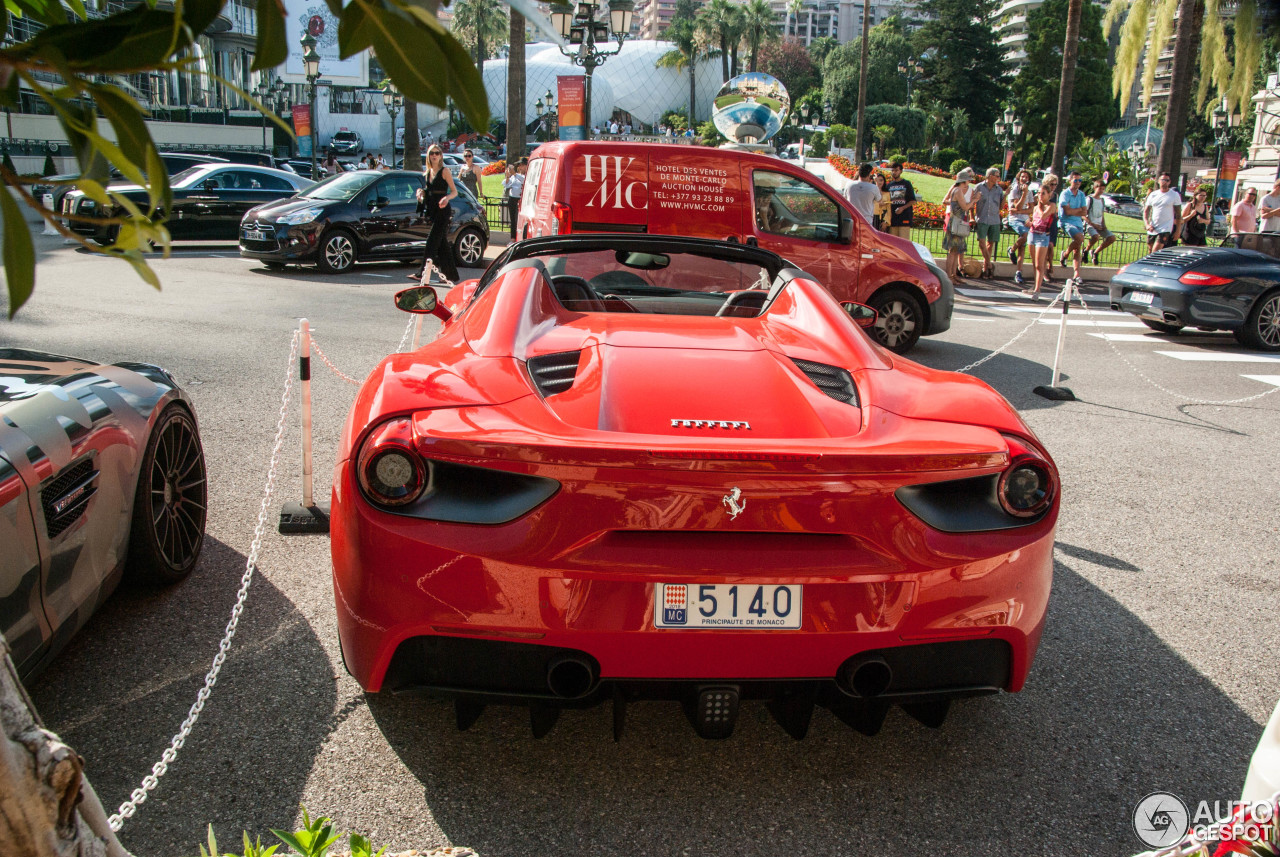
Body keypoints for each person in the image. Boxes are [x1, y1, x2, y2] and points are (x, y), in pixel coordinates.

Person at [412, 144, 460, 283]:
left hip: (443, 210)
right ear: (428, 155)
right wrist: (421, 193)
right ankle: (451, 275)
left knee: (431, 243)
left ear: (441, 156)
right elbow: (428, 191)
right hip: (433, 210)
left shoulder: (445, 171)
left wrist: (447, 198)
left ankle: (421, 273)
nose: (434, 155)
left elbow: (454, 191)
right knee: (442, 245)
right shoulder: (427, 172)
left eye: (437, 153)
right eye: (432, 153)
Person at [942, 167, 977, 283]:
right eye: (968, 180)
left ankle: (953, 275)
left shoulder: (956, 190)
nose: (969, 182)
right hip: (956, 222)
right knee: (953, 251)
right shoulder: (957, 191)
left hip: (956, 221)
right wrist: (974, 200)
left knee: (955, 251)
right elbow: (965, 207)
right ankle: (950, 276)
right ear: (963, 181)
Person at [1025, 185, 1057, 299]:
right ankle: (1035, 286)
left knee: (1040, 264)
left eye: (1043, 193)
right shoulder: (1035, 208)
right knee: (1034, 263)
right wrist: (1029, 222)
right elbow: (1035, 220)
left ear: (1049, 195)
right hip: (1033, 234)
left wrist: (1038, 205)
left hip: (1043, 236)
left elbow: (1043, 216)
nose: (1040, 195)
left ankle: (1037, 290)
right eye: (1039, 193)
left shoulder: (1051, 206)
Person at [973, 167, 1005, 279]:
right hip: (982, 218)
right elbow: (972, 203)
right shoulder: (979, 187)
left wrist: (1005, 196)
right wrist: (972, 217)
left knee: (990, 244)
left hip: (994, 220)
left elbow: (1001, 207)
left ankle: (985, 268)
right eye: (997, 175)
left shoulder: (999, 190)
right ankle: (990, 265)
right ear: (990, 176)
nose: (998, 178)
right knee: (982, 243)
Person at [1057, 171, 1088, 285]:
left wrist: (1074, 212)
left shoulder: (1081, 195)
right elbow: (1067, 211)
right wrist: (1077, 211)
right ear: (1070, 181)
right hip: (1066, 222)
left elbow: (1084, 211)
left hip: (1078, 223)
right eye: (1075, 180)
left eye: (1079, 180)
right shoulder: (1065, 194)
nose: (1078, 183)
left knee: (1078, 247)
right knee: (1080, 238)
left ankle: (1076, 273)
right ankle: (1065, 254)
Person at [1006, 169, 1033, 286]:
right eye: (1022, 176)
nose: (1024, 179)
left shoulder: (1030, 192)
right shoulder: (1014, 191)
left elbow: (1031, 209)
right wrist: (1024, 194)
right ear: (1018, 178)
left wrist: (1021, 211)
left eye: (1026, 177)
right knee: (1025, 235)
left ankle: (1019, 271)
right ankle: (1011, 250)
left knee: (1023, 245)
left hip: (1025, 219)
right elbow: (1017, 206)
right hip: (1015, 219)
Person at [1143, 172, 1182, 251]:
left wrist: (1178, 230)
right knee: (1150, 250)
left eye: (1167, 180)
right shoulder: (1153, 195)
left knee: (1155, 251)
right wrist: (1147, 224)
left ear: (1169, 182)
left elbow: (1178, 214)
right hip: (1153, 226)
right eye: (1163, 180)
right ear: (1158, 181)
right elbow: (1146, 211)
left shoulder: (1174, 195)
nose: (1165, 182)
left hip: (1165, 227)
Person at [1084, 178, 1117, 265]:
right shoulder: (1089, 199)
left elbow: (1101, 213)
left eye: (1103, 189)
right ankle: (1086, 250)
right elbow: (1083, 214)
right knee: (1095, 237)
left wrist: (1103, 224)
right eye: (1100, 189)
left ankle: (1095, 252)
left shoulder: (1102, 200)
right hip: (1090, 224)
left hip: (1100, 225)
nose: (1101, 191)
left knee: (1111, 238)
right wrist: (1092, 224)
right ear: (1095, 188)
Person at [885, 162, 916, 241]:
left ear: (901, 171)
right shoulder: (889, 185)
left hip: (904, 218)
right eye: (892, 170)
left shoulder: (906, 184)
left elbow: (912, 201)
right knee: (893, 243)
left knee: (903, 242)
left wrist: (902, 208)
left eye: (896, 170)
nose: (894, 172)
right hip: (893, 219)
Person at [503, 160, 526, 240]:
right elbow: (506, 185)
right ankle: (513, 238)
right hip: (512, 199)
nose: (520, 167)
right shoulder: (515, 176)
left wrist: (514, 174)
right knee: (513, 220)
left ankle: (520, 238)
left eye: (522, 165)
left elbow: (524, 180)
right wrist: (507, 176)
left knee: (519, 219)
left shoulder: (526, 175)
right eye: (519, 165)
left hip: (520, 200)